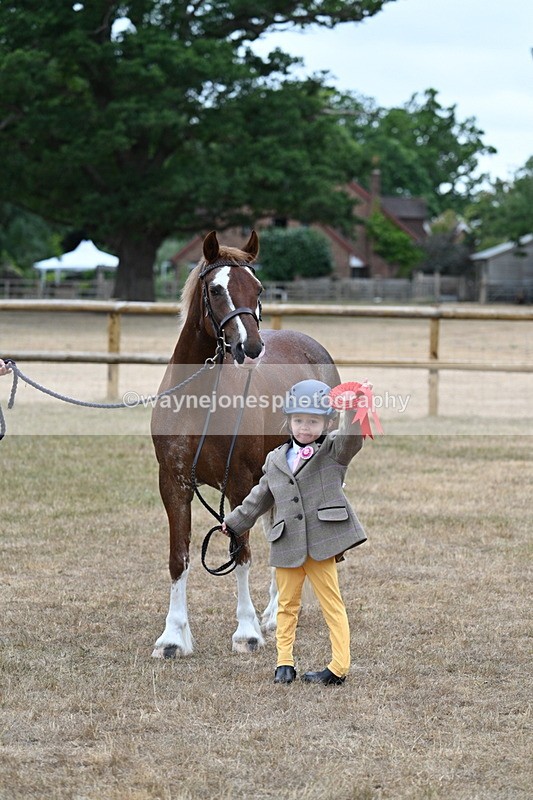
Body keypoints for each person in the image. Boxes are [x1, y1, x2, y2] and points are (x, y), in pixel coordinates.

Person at [222, 378, 368, 686]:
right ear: (288, 420)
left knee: (332, 603)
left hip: (322, 542)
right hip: (286, 542)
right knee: (287, 605)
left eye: (313, 421)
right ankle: (284, 663)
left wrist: (356, 406)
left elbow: (352, 439)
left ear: (327, 422)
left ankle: (338, 666)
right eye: (298, 420)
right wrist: (235, 522)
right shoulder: (275, 459)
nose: (304, 427)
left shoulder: (333, 451)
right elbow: (259, 497)